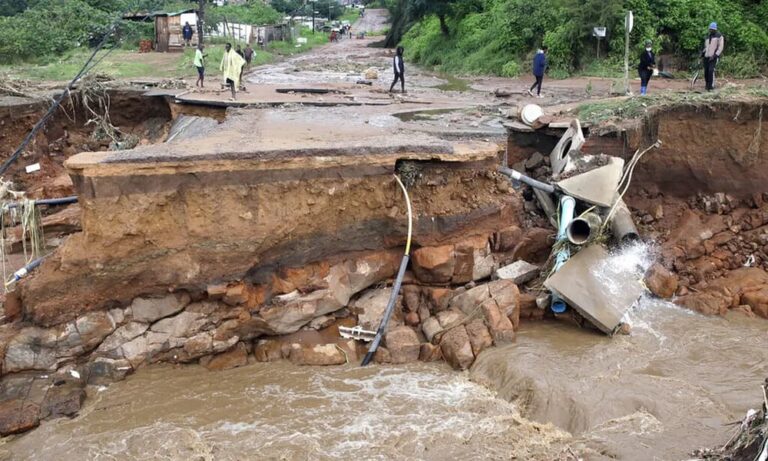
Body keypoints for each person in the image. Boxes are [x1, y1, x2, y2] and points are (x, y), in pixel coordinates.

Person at [702, 22, 724, 91]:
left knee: (711, 71)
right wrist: (703, 53)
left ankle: (711, 86)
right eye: (711, 29)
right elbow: (706, 47)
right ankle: (707, 85)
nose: (711, 30)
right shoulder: (707, 37)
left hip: (714, 57)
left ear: (715, 29)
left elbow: (720, 47)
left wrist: (715, 55)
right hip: (706, 57)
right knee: (706, 72)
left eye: (713, 29)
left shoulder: (719, 36)